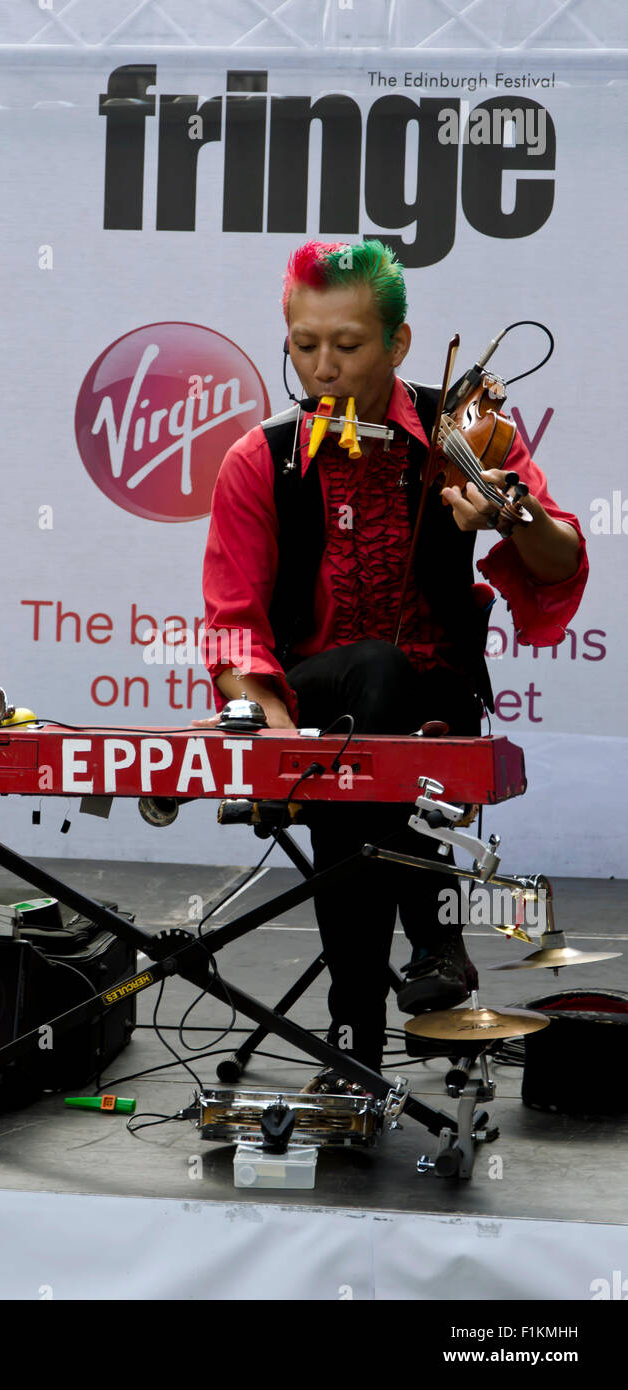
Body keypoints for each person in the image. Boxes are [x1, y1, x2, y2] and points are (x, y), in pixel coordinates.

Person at [197, 238, 588, 1089]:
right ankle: (432, 923)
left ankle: (354, 1042)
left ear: (399, 344)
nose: (324, 368)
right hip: (312, 709)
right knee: (370, 677)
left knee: (380, 740)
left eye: (349, 345)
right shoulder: (259, 460)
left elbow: (560, 565)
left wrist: (507, 513)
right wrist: (275, 745)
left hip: (435, 719)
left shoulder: (458, 435)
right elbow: (233, 634)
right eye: (305, 346)